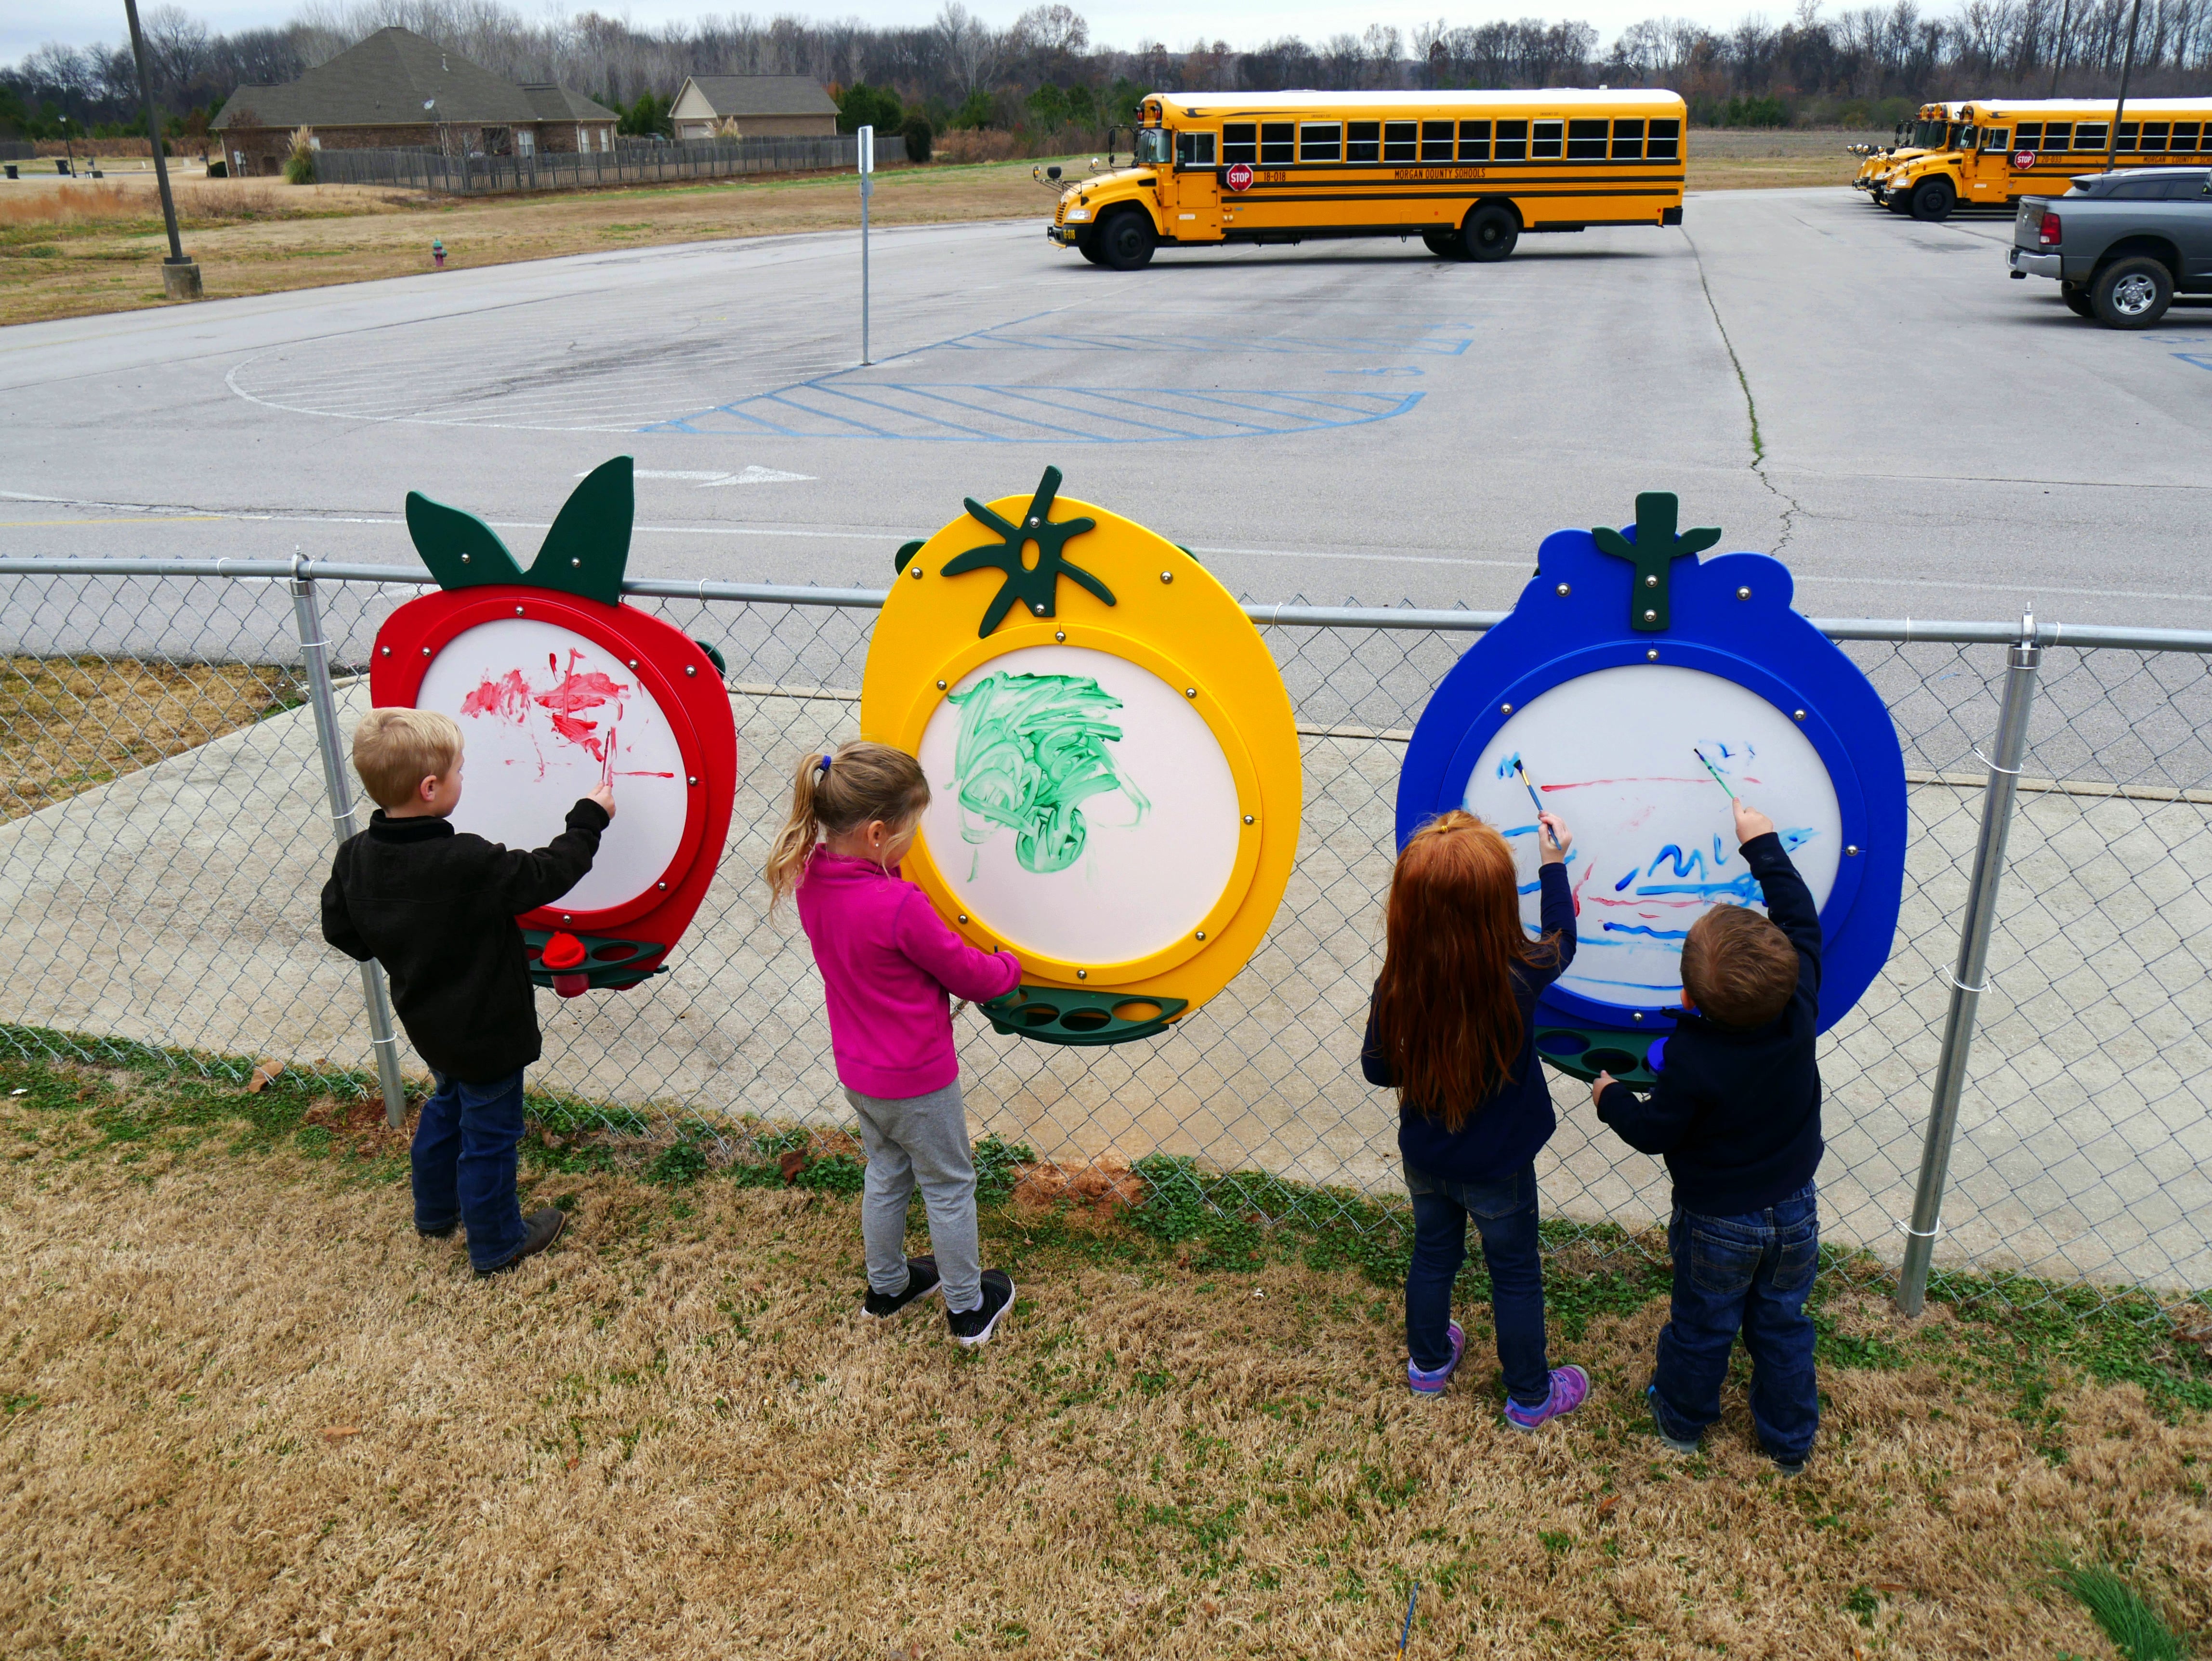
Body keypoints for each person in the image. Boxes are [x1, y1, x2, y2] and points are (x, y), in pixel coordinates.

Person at [320, 707, 612, 1278]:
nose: (462, 779)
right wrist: (589, 819)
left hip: (427, 1021)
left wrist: (404, 947)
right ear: (431, 789)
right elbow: (547, 873)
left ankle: (434, 1214)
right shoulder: (466, 860)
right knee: (490, 1135)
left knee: (446, 1108)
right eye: (459, 770)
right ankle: (497, 1241)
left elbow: (342, 931)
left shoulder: (355, 856)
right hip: (489, 1030)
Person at [1590, 796, 1823, 1475]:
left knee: (1704, 1324)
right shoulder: (1799, 1007)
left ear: (1689, 1001)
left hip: (1718, 1220)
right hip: (1795, 1207)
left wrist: (1611, 1099)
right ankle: (1788, 1444)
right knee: (1782, 1325)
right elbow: (1801, 920)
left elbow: (1656, 1133)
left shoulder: (1691, 1060)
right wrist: (1764, 846)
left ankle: (1683, 1422)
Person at [765, 739, 1023, 1346]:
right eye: (914, 829)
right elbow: (967, 973)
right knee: (948, 1184)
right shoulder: (900, 905)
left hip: (860, 1073)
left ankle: (887, 1286)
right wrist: (1009, 967)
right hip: (919, 1080)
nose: (916, 842)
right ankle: (967, 1308)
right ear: (880, 833)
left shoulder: (811, 879)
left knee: (885, 1172)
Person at [1362, 807, 1589, 1428]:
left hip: (1425, 1158)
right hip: (1500, 1169)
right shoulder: (1520, 976)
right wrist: (1553, 863)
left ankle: (1428, 1365)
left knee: (1433, 1255)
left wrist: (1429, 1061)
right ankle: (1528, 1397)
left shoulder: (1396, 983)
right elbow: (1561, 940)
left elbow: (1378, 1071)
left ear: (1405, 907)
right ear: (1494, 906)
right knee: (1513, 1272)